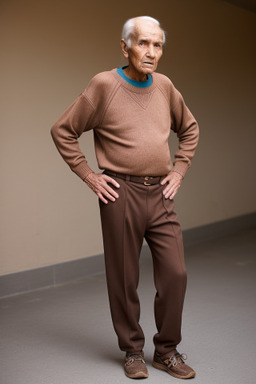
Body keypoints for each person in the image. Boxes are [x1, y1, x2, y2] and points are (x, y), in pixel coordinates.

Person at [51, 15, 199, 380]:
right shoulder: (104, 85)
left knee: (175, 273)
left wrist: (178, 171)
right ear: (125, 46)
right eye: (143, 43)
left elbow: (190, 129)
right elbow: (63, 131)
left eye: (158, 45)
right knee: (123, 277)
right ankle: (132, 350)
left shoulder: (164, 86)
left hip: (160, 192)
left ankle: (166, 351)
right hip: (120, 192)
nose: (151, 52)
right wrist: (89, 175)